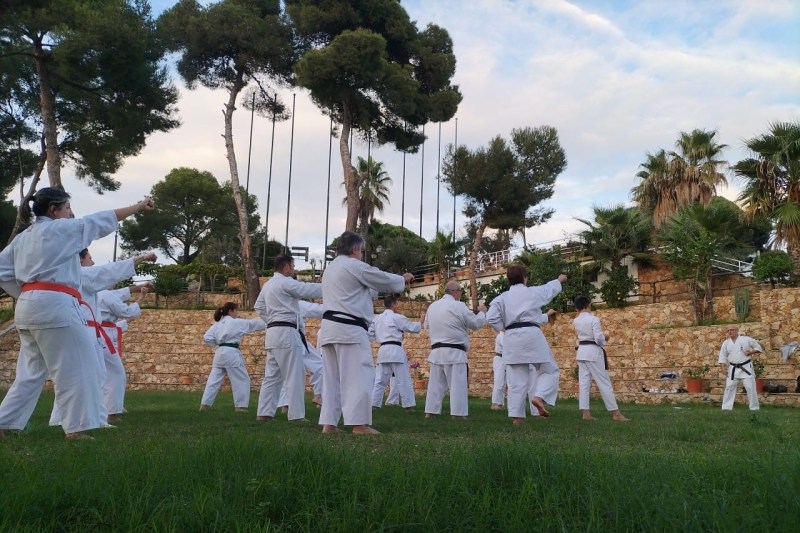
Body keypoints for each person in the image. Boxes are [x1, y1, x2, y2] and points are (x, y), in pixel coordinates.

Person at [0, 187, 154, 440]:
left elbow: (2, 271)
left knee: (30, 373)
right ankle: (77, 428)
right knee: (79, 368)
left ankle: (4, 423)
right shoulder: (59, 229)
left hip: (28, 307)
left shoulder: (23, 237)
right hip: (56, 306)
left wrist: (27, 293)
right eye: (67, 208)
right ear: (54, 210)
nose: (71, 214)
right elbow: (99, 221)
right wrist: (137, 207)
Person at [318, 231, 412, 435]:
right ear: (354, 249)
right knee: (359, 376)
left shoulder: (330, 269)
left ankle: (329, 424)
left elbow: (363, 289)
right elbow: (381, 278)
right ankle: (359, 425)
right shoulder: (353, 265)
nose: (362, 255)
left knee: (332, 380)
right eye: (361, 251)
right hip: (349, 329)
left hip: (329, 330)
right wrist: (402, 279)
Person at [48, 249, 156, 427]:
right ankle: (93, 417)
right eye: (89, 258)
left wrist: (138, 288)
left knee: (81, 375)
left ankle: (75, 418)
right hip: (87, 331)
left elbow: (114, 290)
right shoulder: (83, 275)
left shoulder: (72, 277)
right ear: (80, 260)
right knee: (95, 375)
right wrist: (143, 258)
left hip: (83, 329)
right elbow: (110, 273)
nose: (93, 262)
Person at [486, 265, 563, 426]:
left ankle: (517, 418)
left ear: (509, 279)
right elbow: (549, 289)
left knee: (515, 381)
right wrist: (559, 280)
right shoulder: (532, 292)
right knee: (550, 370)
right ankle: (539, 396)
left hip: (512, 337)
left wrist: (502, 327)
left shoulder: (502, 298)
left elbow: (491, 317)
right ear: (525, 278)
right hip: (532, 335)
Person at [254, 254, 322, 422]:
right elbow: (306, 289)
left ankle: (264, 413)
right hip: (287, 332)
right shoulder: (285, 282)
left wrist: (272, 320)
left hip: (272, 332)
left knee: (272, 376)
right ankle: (296, 415)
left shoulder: (268, 285)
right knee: (294, 375)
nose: (294, 270)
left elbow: (259, 307)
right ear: (286, 267)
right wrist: (331, 286)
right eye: (293, 266)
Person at [424, 280, 487, 420]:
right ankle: (458, 414)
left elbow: (426, 326)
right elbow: (475, 323)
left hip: (436, 350)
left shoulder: (432, 307)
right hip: (455, 351)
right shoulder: (459, 306)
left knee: (435, 384)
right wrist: (482, 313)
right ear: (455, 291)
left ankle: (431, 412)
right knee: (458, 384)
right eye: (460, 291)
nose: (460, 294)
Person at [96, 279, 152, 420]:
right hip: (103, 336)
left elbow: (120, 293)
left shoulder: (96, 293)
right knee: (116, 374)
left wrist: (139, 287)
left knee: (101, 374)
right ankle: (111, 413)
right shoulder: (106, 295)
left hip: (97, 333)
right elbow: (127, 312)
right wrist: (141, 298)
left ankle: (104, 409)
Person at [200, 302, 266, 412]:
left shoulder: (217, 324)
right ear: (231, 311)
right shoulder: (235, 322)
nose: (237, 313)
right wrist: (270, 322)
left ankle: (205, 404)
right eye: (236, 311)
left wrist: (217, 345)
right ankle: (240, 406)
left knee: (213, 380)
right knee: (241, 379)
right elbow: (253, 324)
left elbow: (207, 337)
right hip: (231, 353)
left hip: (219, 353)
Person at [573, 295, 628, 421]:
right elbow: (598, 338)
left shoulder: (576, 321)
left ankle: (585, 413)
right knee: (604, 382)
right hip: (593, 352)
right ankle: (616, 414)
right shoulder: (594, 319)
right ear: (589, 305)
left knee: (584, 383)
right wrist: (606, 337)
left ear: (576, 308)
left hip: (581, 352)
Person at [370, 295, 422, 411]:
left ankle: (373, 405)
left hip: (383, 350)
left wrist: (381, 335)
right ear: (393, 304)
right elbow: (412, 328)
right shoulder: (396, 317)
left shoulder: (376, 319)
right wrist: (421, 322)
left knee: (379, 380)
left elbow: (370, 335)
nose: (397, 306)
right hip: (395, 350)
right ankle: (408, 406)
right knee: (403, 379)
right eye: (396, 304)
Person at [277, 300, 325, 411]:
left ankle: (285, 404)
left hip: (279, 338)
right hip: (296, 339)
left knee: (287, 372)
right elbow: (319, 310)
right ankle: (318, 395)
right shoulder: (298, 304)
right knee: (318, 366)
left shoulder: (277, 304)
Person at [718, 325, 762, 411]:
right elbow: (722, 356)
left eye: (732, 330)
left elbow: (758, 347)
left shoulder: (746, 339)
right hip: (733, 368)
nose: (730, 332)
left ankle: (754, 408)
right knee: (729, 387)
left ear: (737, 330)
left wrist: (751, 352)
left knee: (750, 387)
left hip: (746, 367)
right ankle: (726, 408)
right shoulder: (726, 343)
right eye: (728, 330)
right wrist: (723, 368)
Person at [490, 331, 505, 410]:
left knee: (503, 383)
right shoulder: (501, 335)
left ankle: (500, 403)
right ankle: (494, 403)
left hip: (505, 359)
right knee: (498, 381)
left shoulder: (506, 335)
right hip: (500, 358)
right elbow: (506, 345)